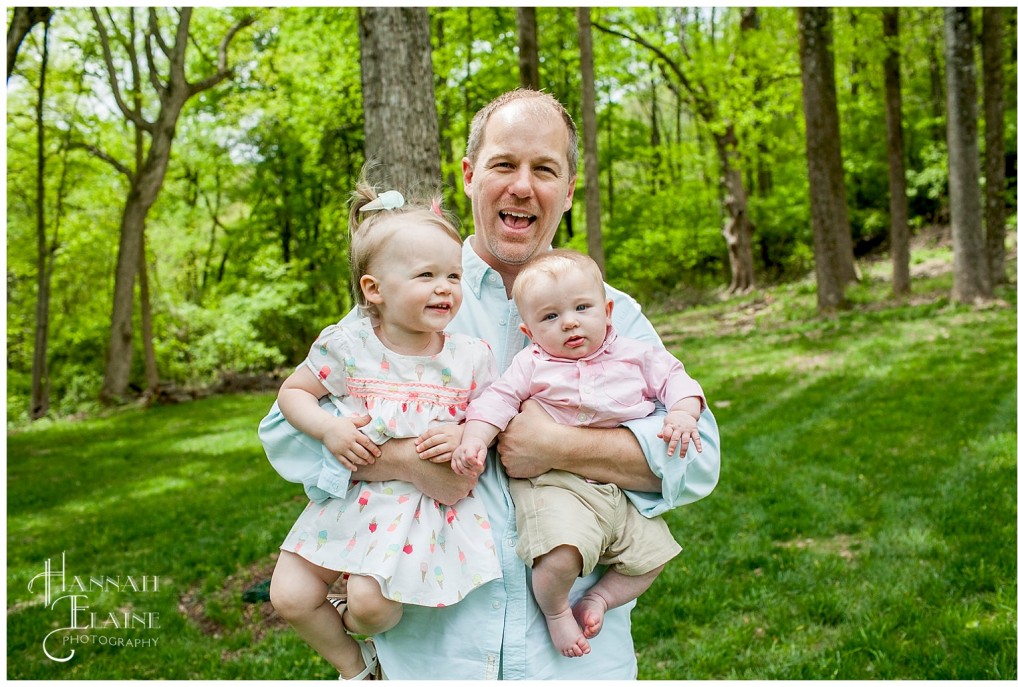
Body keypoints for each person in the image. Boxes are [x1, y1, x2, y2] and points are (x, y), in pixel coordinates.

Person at [260, 88, 721, 679]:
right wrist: (405, 460)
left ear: (570, 190)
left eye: (545, 169)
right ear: (471, 176)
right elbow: (285, 433)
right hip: (435, 651)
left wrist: (558, 447)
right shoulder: (409, 296)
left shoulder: (610, 313)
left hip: (572, 656)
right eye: (504, 164)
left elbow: (698, 457)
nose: (522, 187)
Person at [267, 177, 501, 680]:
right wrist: (329, 431)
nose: (445, 287)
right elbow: (292, 394)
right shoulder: (349, 347)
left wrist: (466, 435)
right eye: (426, 275)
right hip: (348, 502)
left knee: (371, 608)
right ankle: (359, 668)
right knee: (288, 594)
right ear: (374, 289)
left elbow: (495, 416)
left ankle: (359, 628)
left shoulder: (468, 357)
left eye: (454, 276)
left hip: (417, 514)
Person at [452, 248, 706, 659]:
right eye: (550, 317)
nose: (569, 322)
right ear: (530, 332)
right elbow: (497, 401)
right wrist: (475, 439)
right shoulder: (531, 364)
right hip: (555, 485)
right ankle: (556, 614)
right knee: (561, 556)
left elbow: (677, 380)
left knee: (654, 557)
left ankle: (599, 599)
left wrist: (682, 412)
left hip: (616, 489)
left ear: (608, 312)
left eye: (582, 308)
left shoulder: (635, 354)